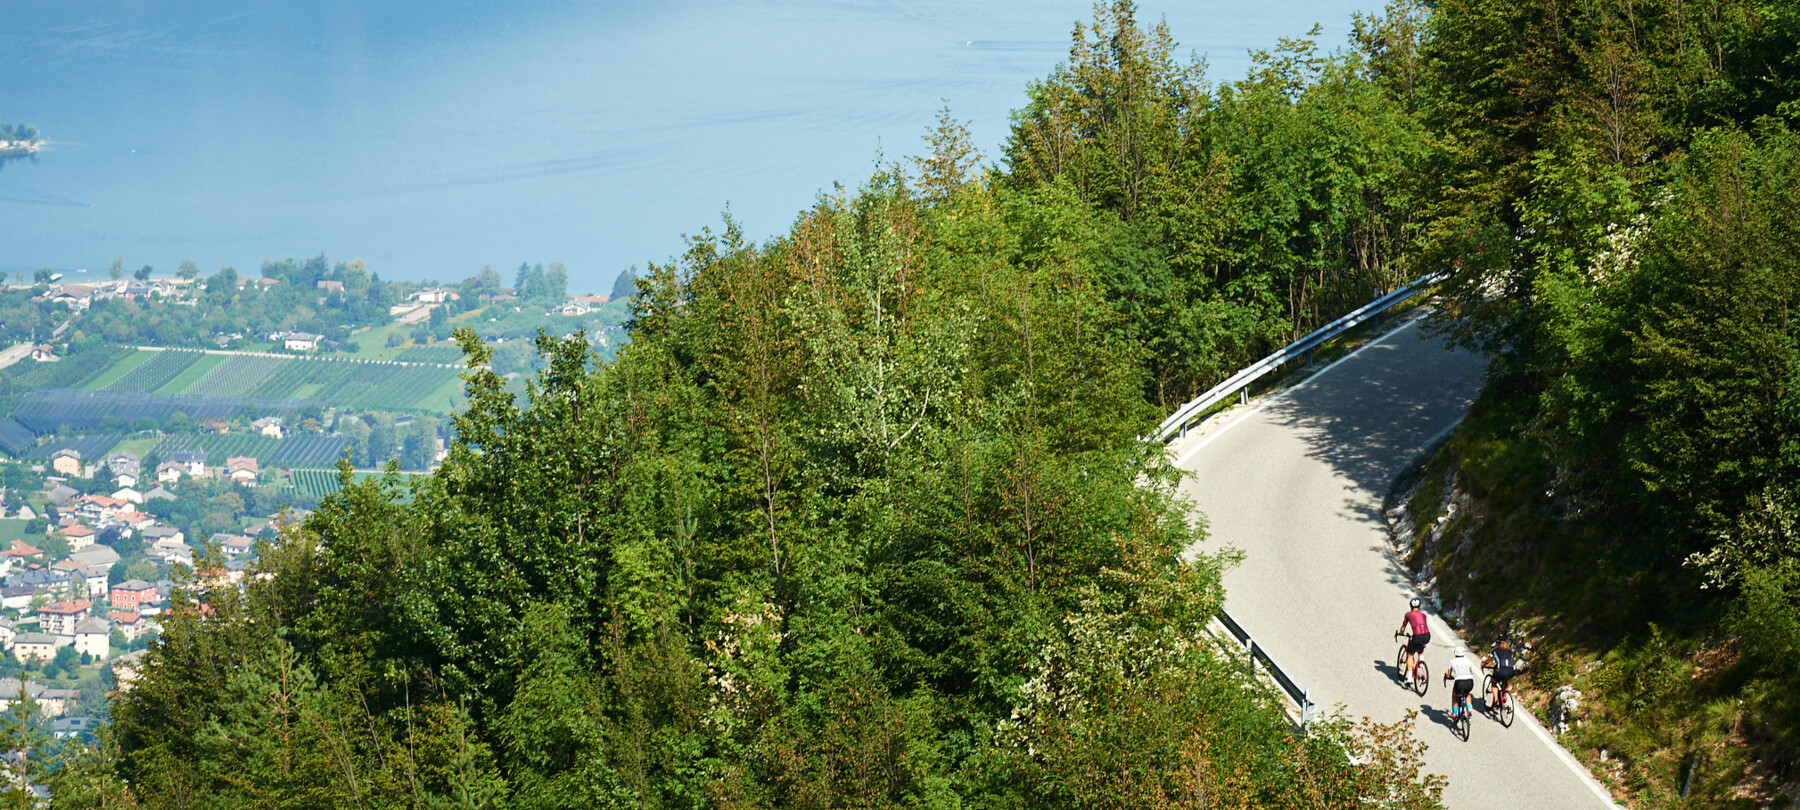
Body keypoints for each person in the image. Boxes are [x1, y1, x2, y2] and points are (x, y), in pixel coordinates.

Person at [1395, 598, 1430, 685]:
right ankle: (1421, 664)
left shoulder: (1408, 614)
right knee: (1420, 649)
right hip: (1427, 636)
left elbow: (1403, 627)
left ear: (1411, 606)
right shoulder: (1423, 615)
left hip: (1417, 636)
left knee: (1410, 654)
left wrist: (1400, 633)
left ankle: (1409, 677)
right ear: (1419, 606)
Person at [1481, 639, 1525, 707]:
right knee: (1505, 681)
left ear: (1498, 643)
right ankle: (1504, 697)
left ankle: (1496, 700)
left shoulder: (1495, 650)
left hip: (1501, 670)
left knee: (1494, 683)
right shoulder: (1510, 651)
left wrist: (1483, 665)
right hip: (1511, 671)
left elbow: (1488, 661)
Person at [1443, 646, 1477, 717]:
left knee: (1455, 695)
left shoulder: (1452, 661)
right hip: (1469, 681)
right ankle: (1469, 709)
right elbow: (1471, 672)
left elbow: (1449, 674)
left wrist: (1448, 677)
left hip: (1459, 682)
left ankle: (1454, 713)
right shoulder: (1467, 660)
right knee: (1467, 694)